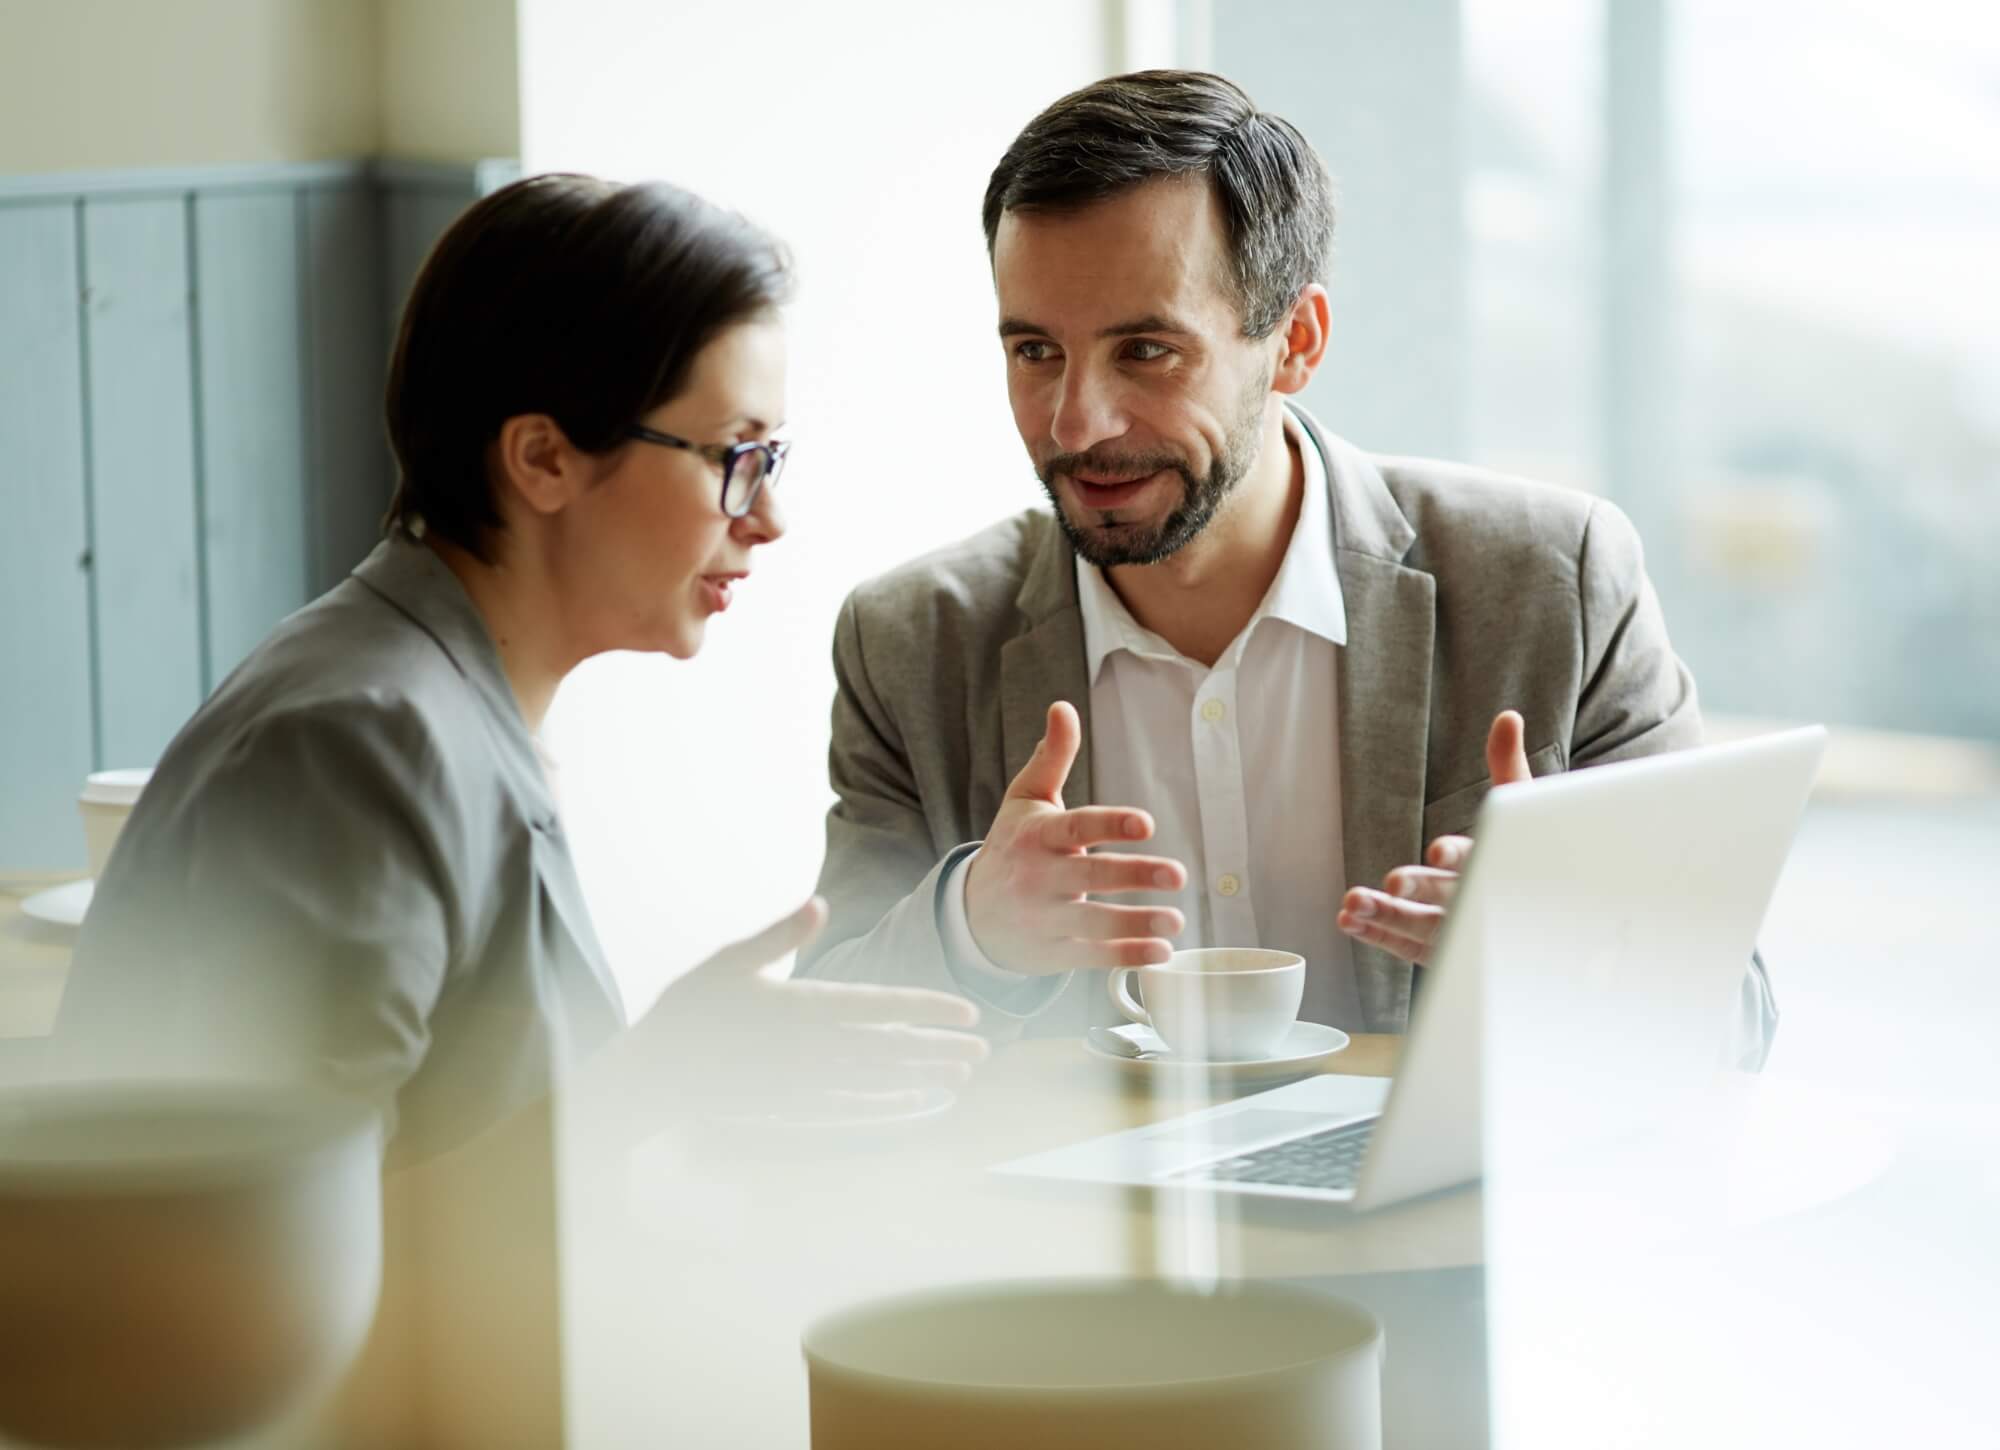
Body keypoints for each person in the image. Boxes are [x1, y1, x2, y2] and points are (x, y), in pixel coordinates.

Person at [795, 70, 1775, 1067]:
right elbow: (820, 1039)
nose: (1074, 422)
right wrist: (972, 931)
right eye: (1035, 349)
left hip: (1448, 1212)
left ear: (1295, 341)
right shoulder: (911, 639)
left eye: (1143, 349)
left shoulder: (1548, 583)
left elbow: (1729, 1017)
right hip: (1081, 1224)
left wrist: (1571, 954)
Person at [53, 173, 987, 1167]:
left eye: (773, 458)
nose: (766, 517)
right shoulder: (357, 742)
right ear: (542, 458)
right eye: (733, 455)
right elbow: (302, 1248)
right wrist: (663, 1074)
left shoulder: (437, 697)